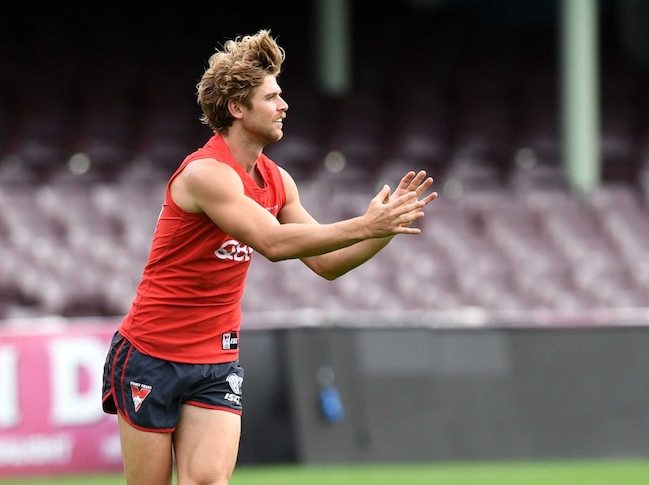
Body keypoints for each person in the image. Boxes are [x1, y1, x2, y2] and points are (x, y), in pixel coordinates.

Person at [101, 29, 437, 485]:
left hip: (216, 359)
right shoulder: (206, 175)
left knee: (206, 481)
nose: (284, 105)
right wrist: (366, 223)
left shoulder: (279, 182)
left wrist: (386, 227)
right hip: (151, 353)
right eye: (272, 96)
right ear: (237, 108)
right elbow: (274, 244)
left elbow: (326, 262)